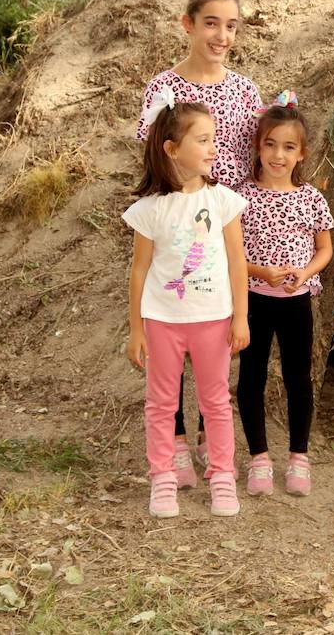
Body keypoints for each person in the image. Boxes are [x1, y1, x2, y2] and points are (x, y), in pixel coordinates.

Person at [136, 0, 263, 489]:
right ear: (187, 24)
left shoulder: (245, 90)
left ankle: (220, 443)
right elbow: (151, 152)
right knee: (172, 319)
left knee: (217, 328)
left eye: (232, 26)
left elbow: (254, 160)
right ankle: (177, 448)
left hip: (228, 224)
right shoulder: (163, 88)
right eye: (212, 23)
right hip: (176, 224)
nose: (222, 36)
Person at [124, 93, 250, 518]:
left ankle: (221, 477)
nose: (213, 147)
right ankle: (162, 479)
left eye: (213, 138)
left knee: (215, 401)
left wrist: (241, 317)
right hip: (163, 320)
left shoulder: (223, 201)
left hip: (213, 319)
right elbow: (140, 271)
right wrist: (137, 329)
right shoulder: (150, 209)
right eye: (203, 139)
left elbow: (237, 262)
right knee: (162, 403)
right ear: (172, 149)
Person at [235, 95, 334, 497]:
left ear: (301, 153)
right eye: (271, 144)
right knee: (251, 376)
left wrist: (304, 273)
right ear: (258, 147)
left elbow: (324, 249)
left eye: (288, 147)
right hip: (252, 299)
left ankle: (299, 457)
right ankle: (259, 458)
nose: (278, 154)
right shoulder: (240, 197)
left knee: (298, 378)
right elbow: (229, 256)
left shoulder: (311, 197)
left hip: (296, 301)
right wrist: (261, 271)